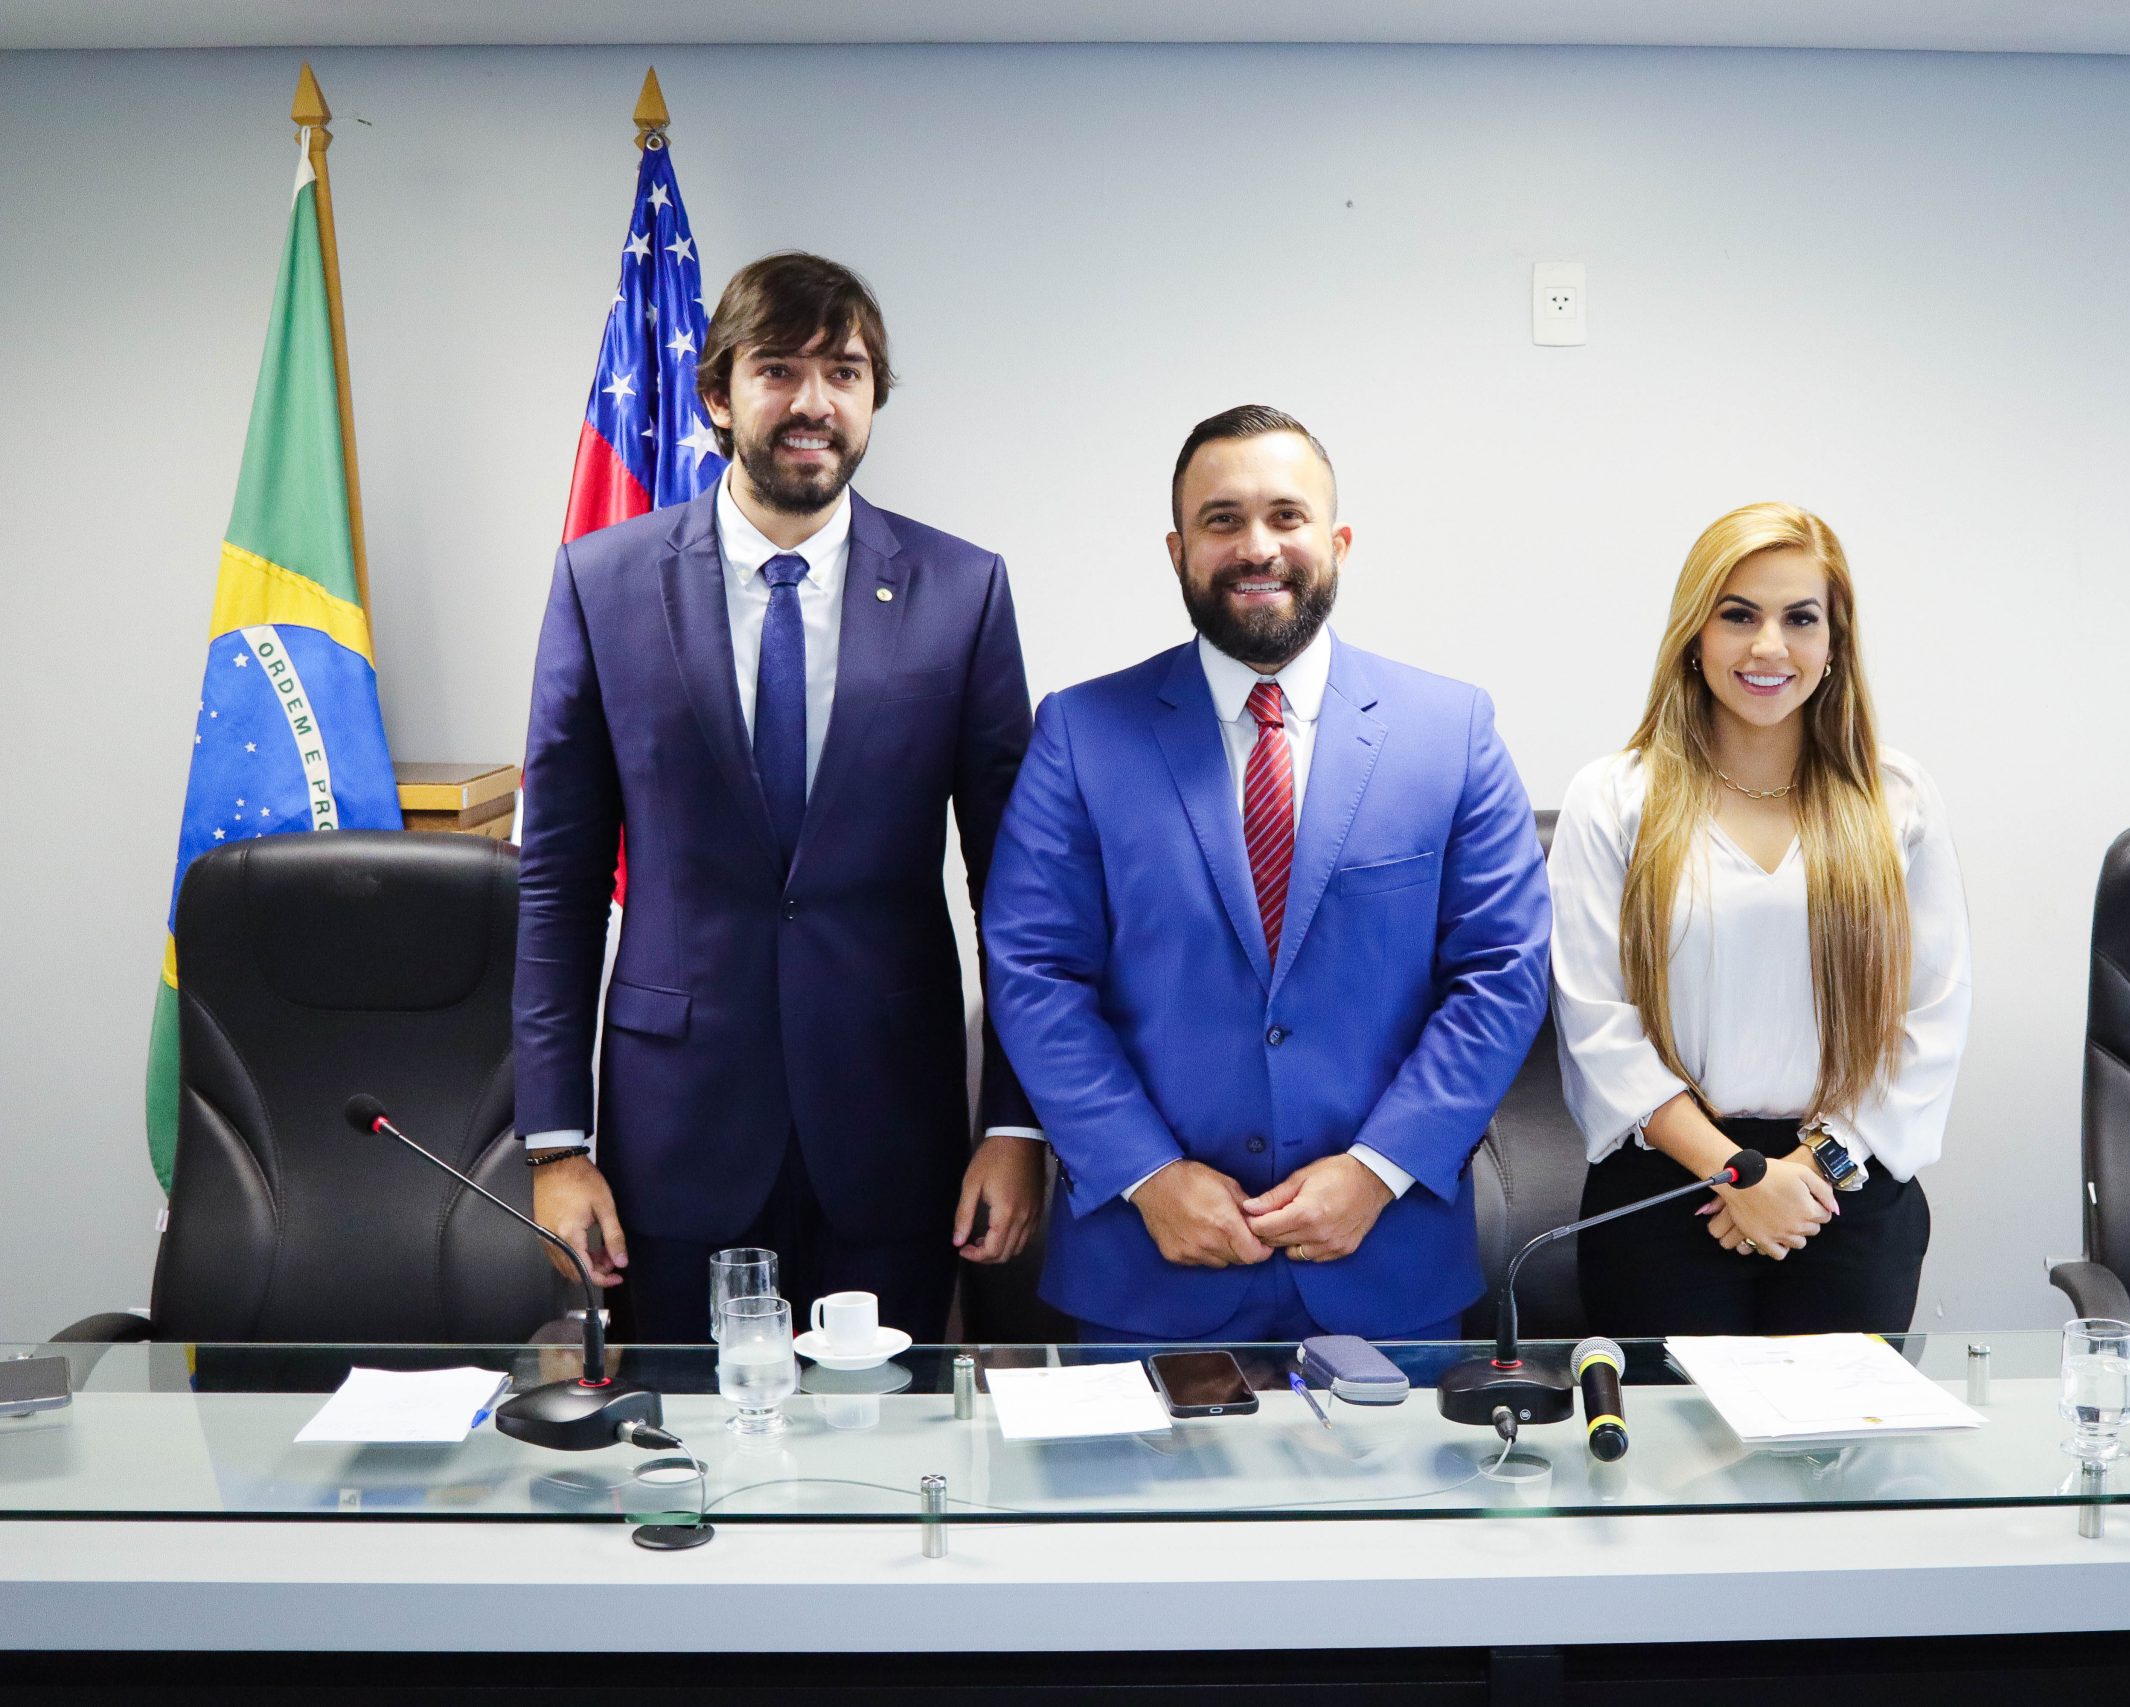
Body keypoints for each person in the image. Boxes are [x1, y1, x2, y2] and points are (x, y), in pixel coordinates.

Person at [514, 251, 1046, 1344]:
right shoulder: (602, 585)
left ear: (873, 397)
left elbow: (1019, 893)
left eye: (844, 373)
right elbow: (557, 885)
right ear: (718, 393)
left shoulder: (963, 592)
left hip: (893, 1132)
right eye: (778, 370)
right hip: (675, 1136)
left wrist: (1013, 1125)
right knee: (683, 1435)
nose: (815, 402)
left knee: (890, 1436)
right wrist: (557, 1145)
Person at [983, 405, 1551, 1342]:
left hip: (1387, 1265)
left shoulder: (1451, 731)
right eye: (1223, 520)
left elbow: (1502, 972)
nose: (1257, 546)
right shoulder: (1080, 734)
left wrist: (1377, 1170)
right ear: (1178, 552)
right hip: (1148, 1270)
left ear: (1338, 542)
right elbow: (1035, 974)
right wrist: (1148, 1175)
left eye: (1287, 516)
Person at [1548, 502, 1969, 1337]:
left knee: (1838, 1426)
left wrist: (1809, 1169)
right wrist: (1740, 1173)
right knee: (1677, 1426)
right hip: (1670, 1189)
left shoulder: (1897, 800)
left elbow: (1932, 1018)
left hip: (1844, 1187)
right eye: (1738, 615)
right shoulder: (1614, 798)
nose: (1769, 646)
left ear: (1834, 643)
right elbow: (1595, 1022)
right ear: (1694, 637)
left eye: (1800, 618)